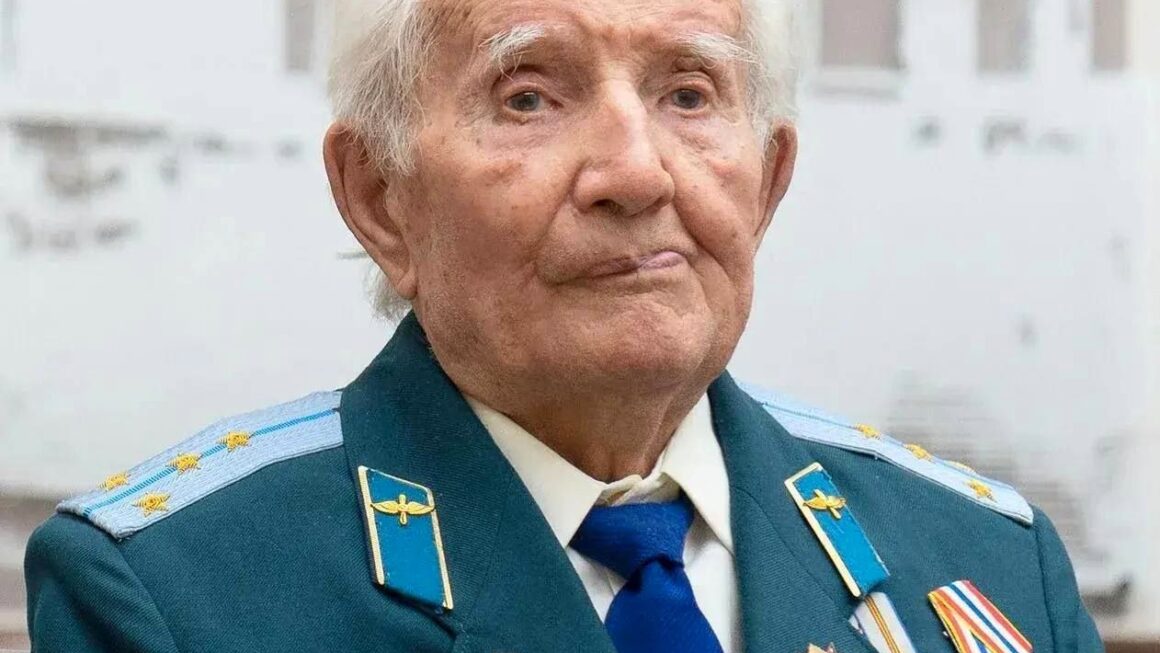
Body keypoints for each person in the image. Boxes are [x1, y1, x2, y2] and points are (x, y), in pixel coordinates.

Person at [24, 0, 1102, 651]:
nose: (635, 171)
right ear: (380, 197)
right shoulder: (177, 595)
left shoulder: (985, 564)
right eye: (529, 96)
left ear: (768, 183)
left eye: (689, 94)